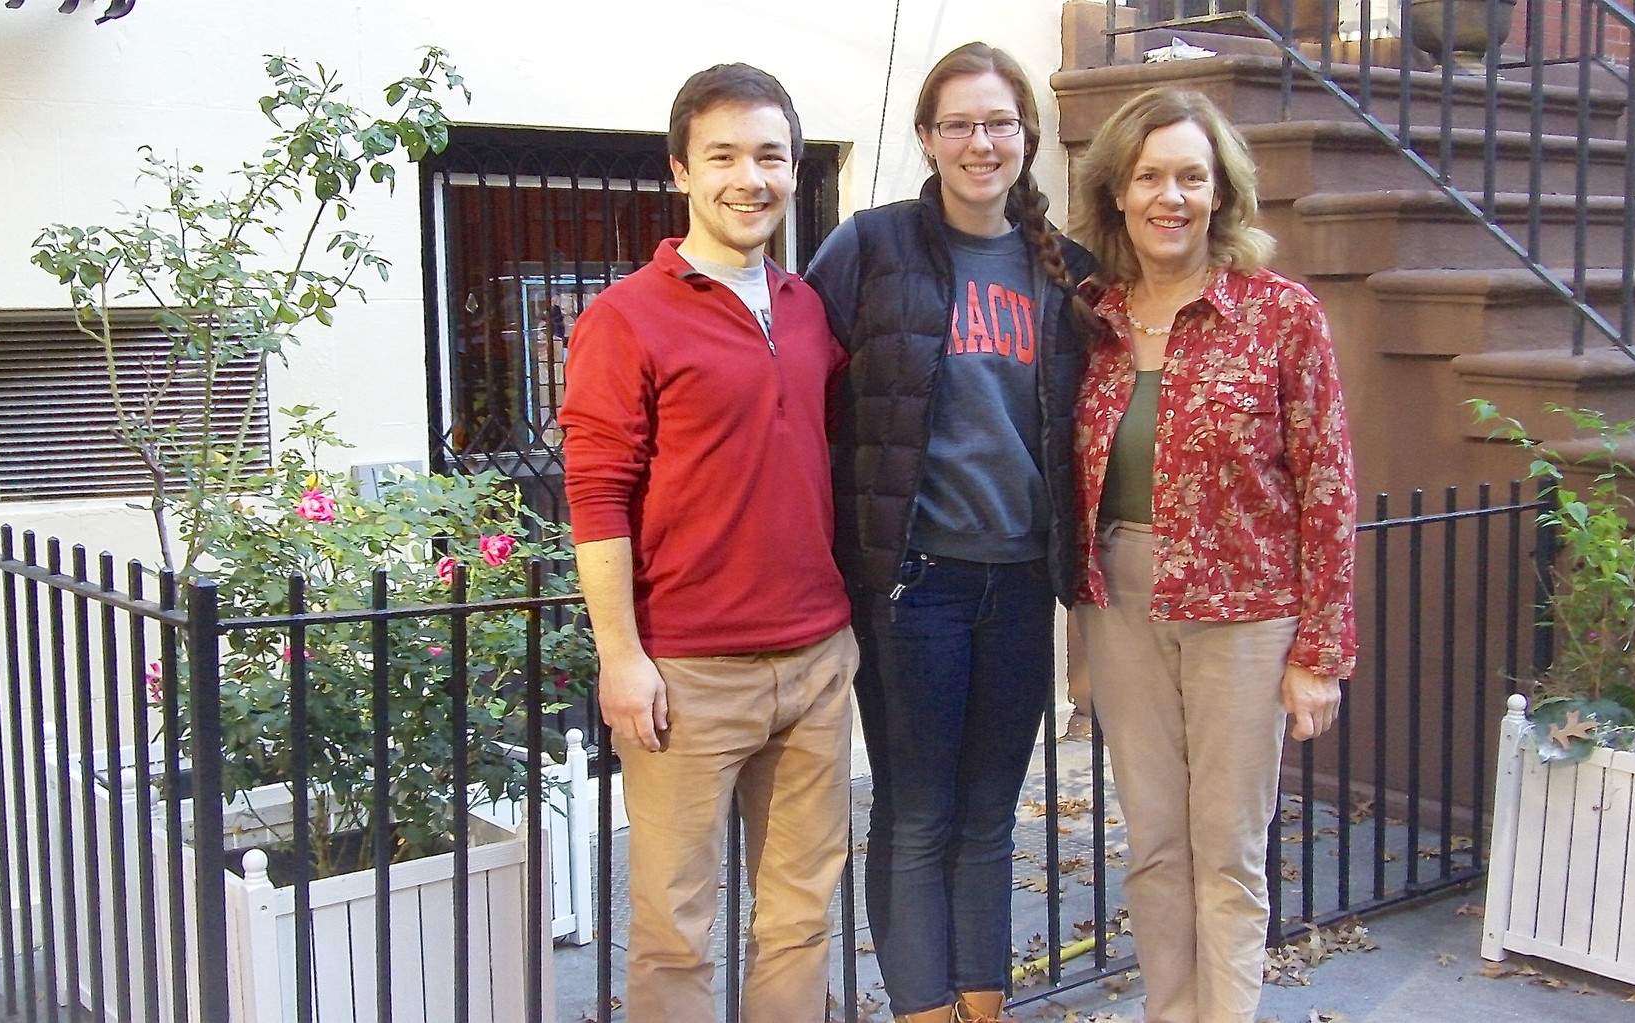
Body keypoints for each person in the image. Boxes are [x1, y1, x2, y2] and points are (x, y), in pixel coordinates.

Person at [805, 41, 1098, 1023]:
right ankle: (921, 1011)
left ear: (1026, 135)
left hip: (1017, 588)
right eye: (959, 123)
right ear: (928, 138)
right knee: (917, 816)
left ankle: (983, 1010)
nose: (981, 141)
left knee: (986, 820)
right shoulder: (869, 247)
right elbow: (798, 399)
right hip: (911, 588)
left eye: (998, 123)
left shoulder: (1068, 276)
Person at [559, 63, 858, 1023]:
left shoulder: (810, 309)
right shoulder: (624, 318)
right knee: (676, 929)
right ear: (681, 170)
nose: (749, 177)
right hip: (686, 675)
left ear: (794, 169)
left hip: (816, 660)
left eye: (770, 155)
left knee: (802, 917)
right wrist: (621, 658)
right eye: (723, 155)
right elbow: (597, 493)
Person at [1066, 85, 1358, 1023]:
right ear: (1118, 191)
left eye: (1192, 176)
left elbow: (1329, 486)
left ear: (1221, 193)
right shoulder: (1093, 321)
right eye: (1151, 176)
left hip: (1245, 612)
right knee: (1153, 841)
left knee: (1226, 847)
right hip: (1121, 598)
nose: (1171, 197)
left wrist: (1320, 653)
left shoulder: (1281, 314)